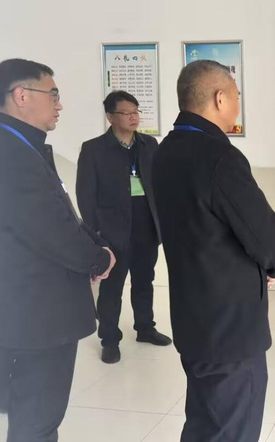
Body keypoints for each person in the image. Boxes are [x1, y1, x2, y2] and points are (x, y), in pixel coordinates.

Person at [152, 60, 275, 442]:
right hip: (230, 329)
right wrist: (272, 265)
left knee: (204, 421)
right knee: (232, 427)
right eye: (237, 96)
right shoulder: (219, 157)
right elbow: (265, 236)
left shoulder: (164, 151)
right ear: (220, 98)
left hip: (192, 318)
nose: (239, 105)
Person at [0, 58, 116, 441]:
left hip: (27, 311)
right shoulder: (12, 154)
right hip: (35, 317)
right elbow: (51, 230)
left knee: (31, 417)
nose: (59, 104)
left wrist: (93, 247)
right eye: (53, 94)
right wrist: (98, 258)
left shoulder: (22, 147)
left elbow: (57, 217)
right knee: (37, 421)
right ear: (21, 95)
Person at [76, 91, 171, 365]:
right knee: (111, 287)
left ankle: (145, 328)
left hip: (146, 224)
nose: (133, 117)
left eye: (136, 111)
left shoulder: (149, 144)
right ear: (110, 117)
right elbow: (85, 194)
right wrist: (96, 234)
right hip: (112, 228)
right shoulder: (94, 149)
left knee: (144, 280)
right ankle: (109, 340)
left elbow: (160, 183)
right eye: (126, 112)